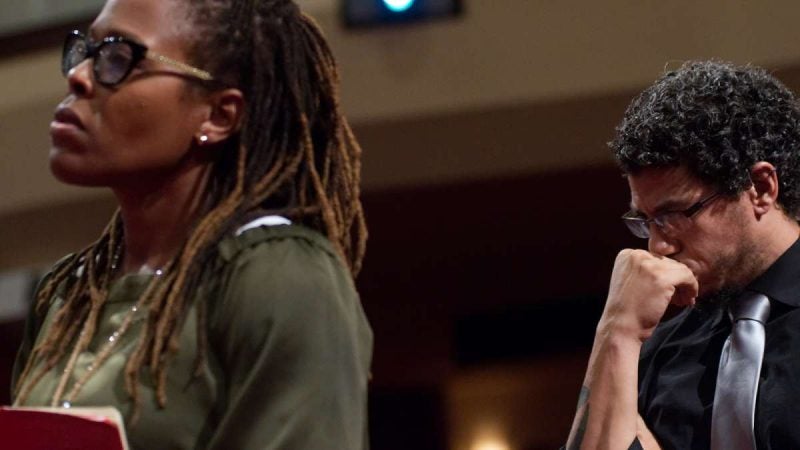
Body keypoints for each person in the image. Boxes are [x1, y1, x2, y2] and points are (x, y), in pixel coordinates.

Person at [10, 0, 373, 449]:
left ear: (218, 115)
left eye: (119, 58)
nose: (79, 75)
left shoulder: (281, 276)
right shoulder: (68, 292)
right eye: (87, 50)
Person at [564, 60, 800, 449]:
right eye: (646, 221)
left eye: (674, 216)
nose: (658, 247)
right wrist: (617, 331)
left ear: (760, 187)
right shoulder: (660, 351)